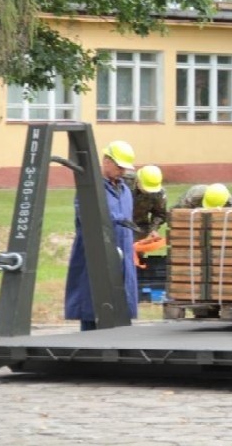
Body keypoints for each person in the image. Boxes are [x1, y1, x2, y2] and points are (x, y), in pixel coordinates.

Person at [64, 140, 138, 331]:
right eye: (119, 166)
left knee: (121, 309)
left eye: (124, 168)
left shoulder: (125, 191)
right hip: (96, 258)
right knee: (93, 306)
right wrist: (118, 218)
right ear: (106, 161)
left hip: (122, 257)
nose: (122, 171)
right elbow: (88, 217)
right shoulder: (90, 189)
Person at [127, 165, 168, 240]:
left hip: (139, 228)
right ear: (138, 180)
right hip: (117, 226)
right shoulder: (124, 182)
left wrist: (153, 229)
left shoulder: (158, 192)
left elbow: (159, 214)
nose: (148, 192)